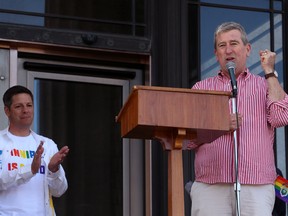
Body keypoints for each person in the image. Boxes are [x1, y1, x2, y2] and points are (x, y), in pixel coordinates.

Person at [187, 22, 288, 216]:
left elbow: (281, 117)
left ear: (247, 49)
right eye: (222, 45)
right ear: (216, 54)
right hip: (211, 186)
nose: (228, 50)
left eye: (233, 43)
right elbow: (185, 140)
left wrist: (269, 72)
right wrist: (217, 127)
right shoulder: (201, 89)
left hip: (257, 185)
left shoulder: (264, 85)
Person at [0, 85, 69, 215]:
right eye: (18, 106)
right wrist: (29, 170)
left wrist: (54, 170)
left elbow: (59, 191)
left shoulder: (47, 144)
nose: (25, 110)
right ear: (7, 111)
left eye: (29, 105)